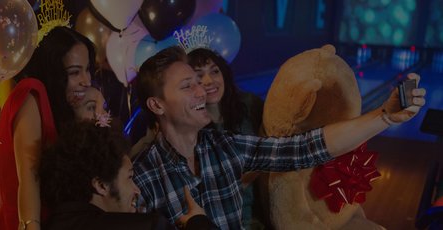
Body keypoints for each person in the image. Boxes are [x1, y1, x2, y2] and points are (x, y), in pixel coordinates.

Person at [132, 46, 426, 229]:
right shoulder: (141, 177)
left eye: (200, 81)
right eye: (187, 85)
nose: (201, 91)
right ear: (157, 105)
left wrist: (384, 116)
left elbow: (307, 148)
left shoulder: (226, 147)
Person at [0, 26, 96, 230]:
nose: (86, 81)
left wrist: (91, 115)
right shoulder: (31, 93)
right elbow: (29, 177)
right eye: (75, 72)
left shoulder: (62, 104)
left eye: (87, 70)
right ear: (54, 71)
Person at [39, 120, 216, 230]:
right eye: (130, 177)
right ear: (101, 185)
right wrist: (198, 223)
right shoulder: (147, 226)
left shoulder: (43, 225)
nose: (137, 190)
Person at [187, 48, 264, 229]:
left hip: (262, 217)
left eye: (214, 71)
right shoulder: (189, 130)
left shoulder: (249, 105)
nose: (209, 81)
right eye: (199, 76)